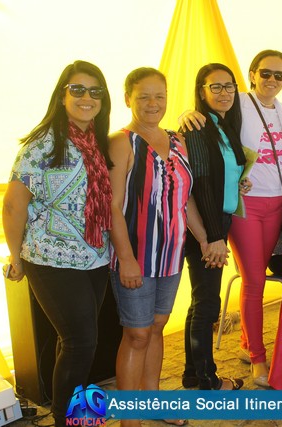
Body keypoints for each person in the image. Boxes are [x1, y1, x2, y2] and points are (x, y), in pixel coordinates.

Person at [3, 60, 113, 427]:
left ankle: (82, 418)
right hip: (50, 258)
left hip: (94, 257)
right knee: (80, 342)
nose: (86, 97)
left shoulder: (97, 141)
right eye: (77, 89)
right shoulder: (43, 144)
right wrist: (15, 256)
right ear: (62, 95)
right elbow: (13, 204)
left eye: (95, 91)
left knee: (80, 343)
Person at [180, 50, 282, 388]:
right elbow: (203, 120)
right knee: (254, 280)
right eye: (266, 73)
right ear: (252, 74)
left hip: (276, 203)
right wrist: (189, 113)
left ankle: (247, 343)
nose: (272, 80)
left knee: (255, 278)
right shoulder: (240, 103)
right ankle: (258, 358)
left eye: (279, 75)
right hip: (246, 207)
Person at [108, 67, 210, 427]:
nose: (153, 103)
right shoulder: (121, 142)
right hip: (135, 255)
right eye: (144, 96)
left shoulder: (178, 141)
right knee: (136, 334)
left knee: (156, 327)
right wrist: (126, 259)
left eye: (160, 96)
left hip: (170, 255)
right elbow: (112, 206)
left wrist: (203, 237)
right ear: (128, 99)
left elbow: (185, 198)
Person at [180, 63, 249, 391]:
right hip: (206, 224)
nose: (224, 93)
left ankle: (193, 374)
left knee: (201, 300)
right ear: (202, 91)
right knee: (207, 304)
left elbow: (222, 172)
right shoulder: (197, 127)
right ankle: (209, 380)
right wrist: (214, 237)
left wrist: (237, 182)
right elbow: (202, 183)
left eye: (229, 86)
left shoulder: (224, 125)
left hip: (218, 219)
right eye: (216, 87)